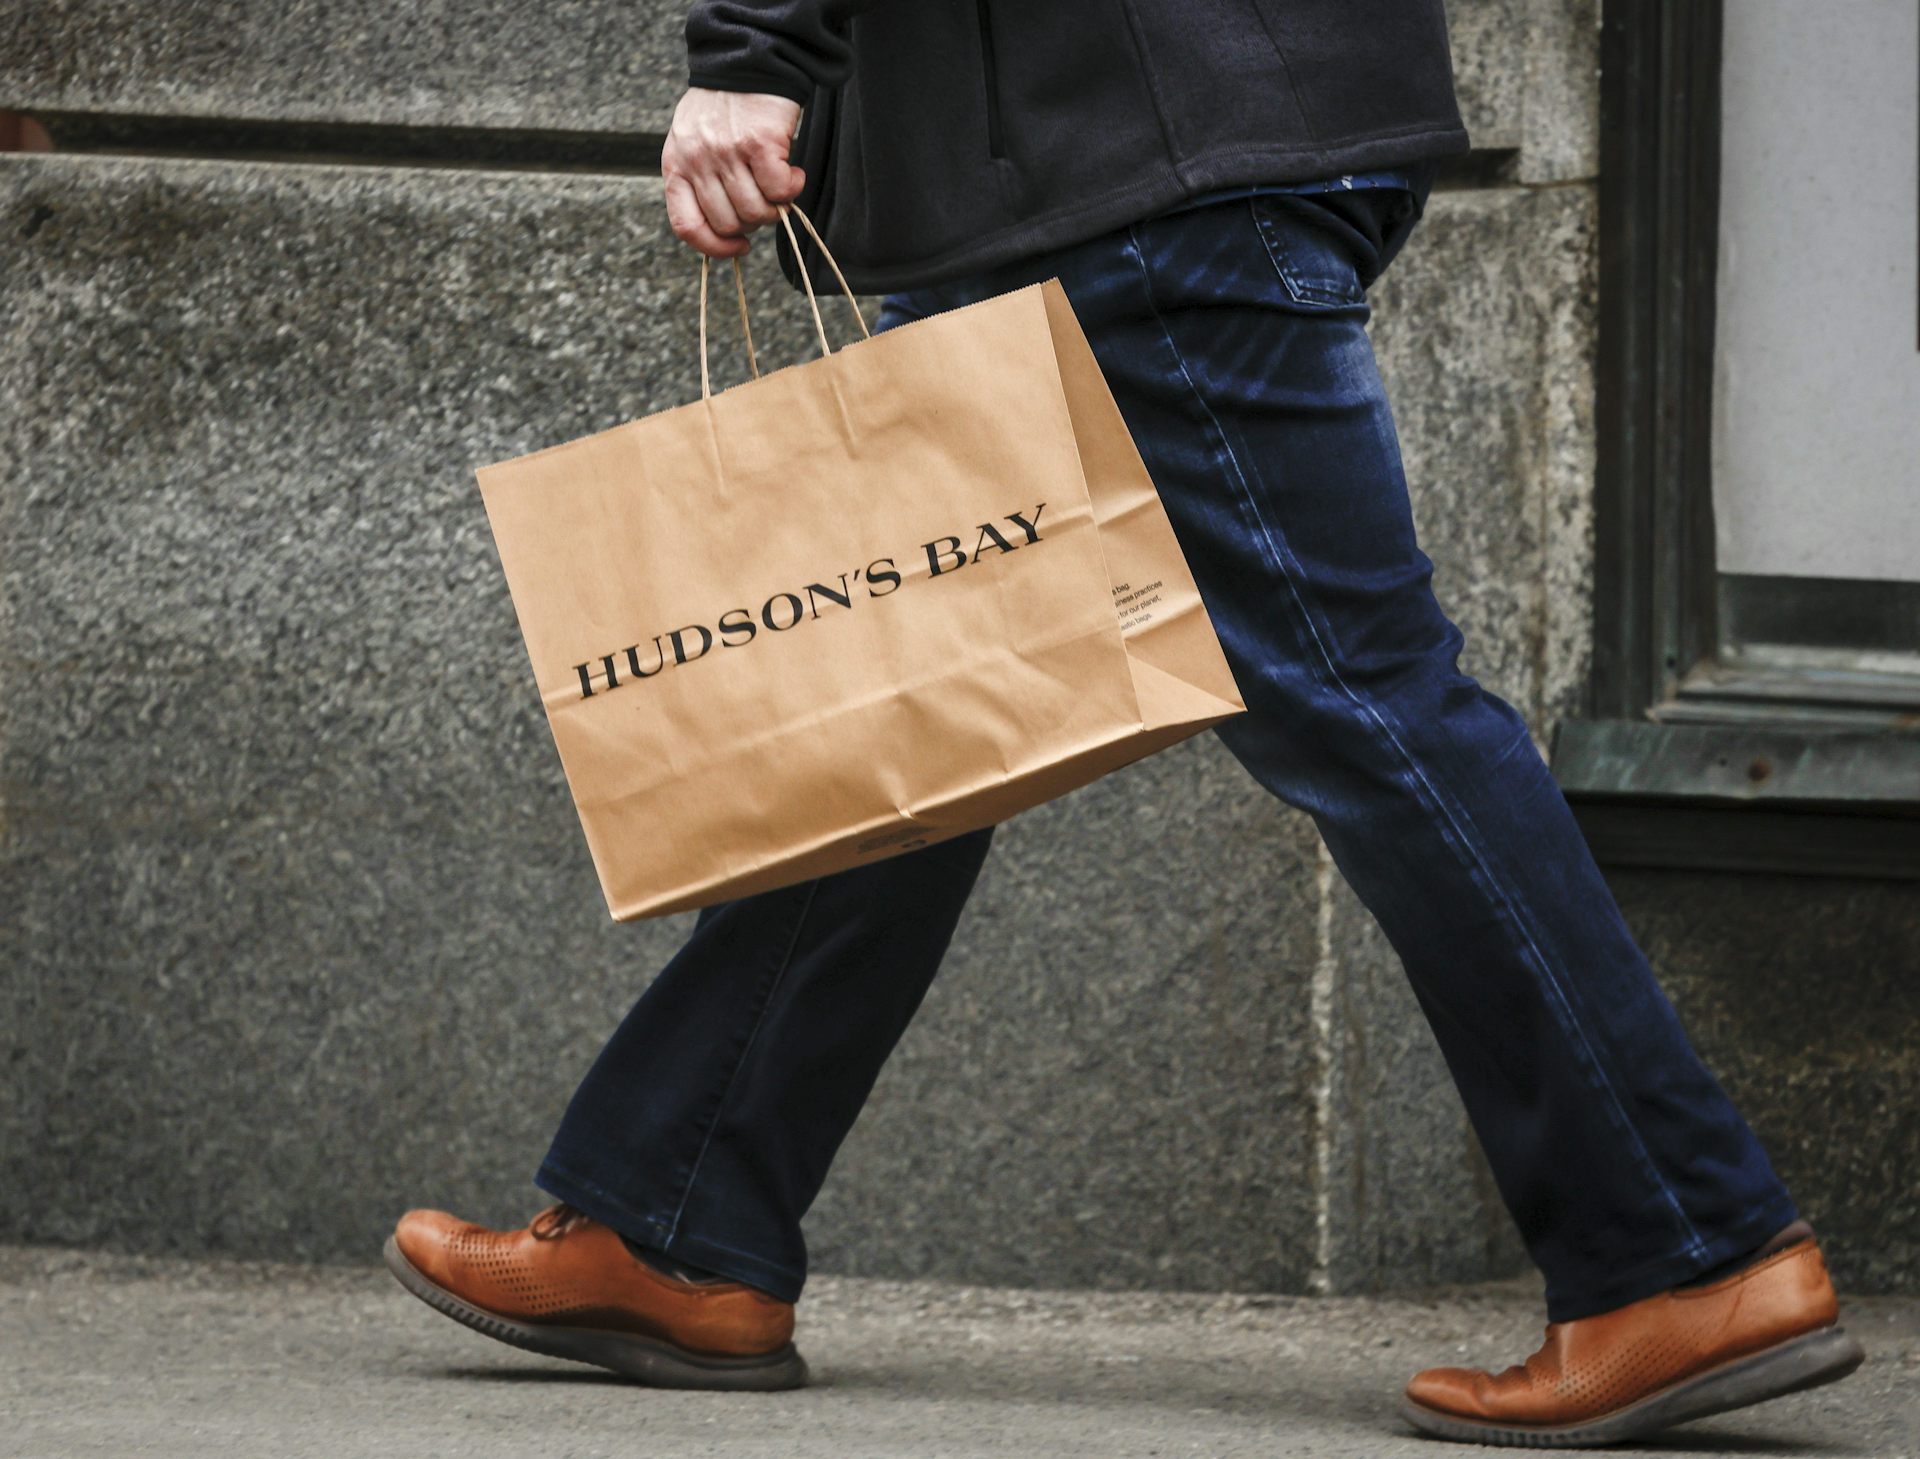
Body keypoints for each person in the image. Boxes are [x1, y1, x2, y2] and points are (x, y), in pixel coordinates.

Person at [384, 2, 1865, 1445]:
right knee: (911, 707)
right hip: (1146, 138)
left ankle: (1687, 1252)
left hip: (1121, 147)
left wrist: (752, 56)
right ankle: (675, 1216)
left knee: (1368, 705)